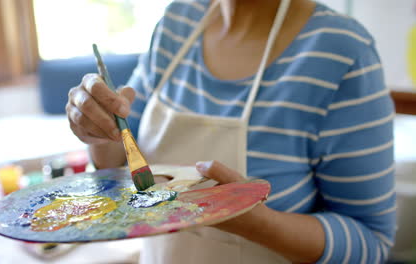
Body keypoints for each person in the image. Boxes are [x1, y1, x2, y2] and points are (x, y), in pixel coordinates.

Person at [66, 0, 396, 263]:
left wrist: (260, 225)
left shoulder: (342, 51)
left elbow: (372, 240)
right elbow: (118, 164)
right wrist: (98, 130)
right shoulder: (177, 22)